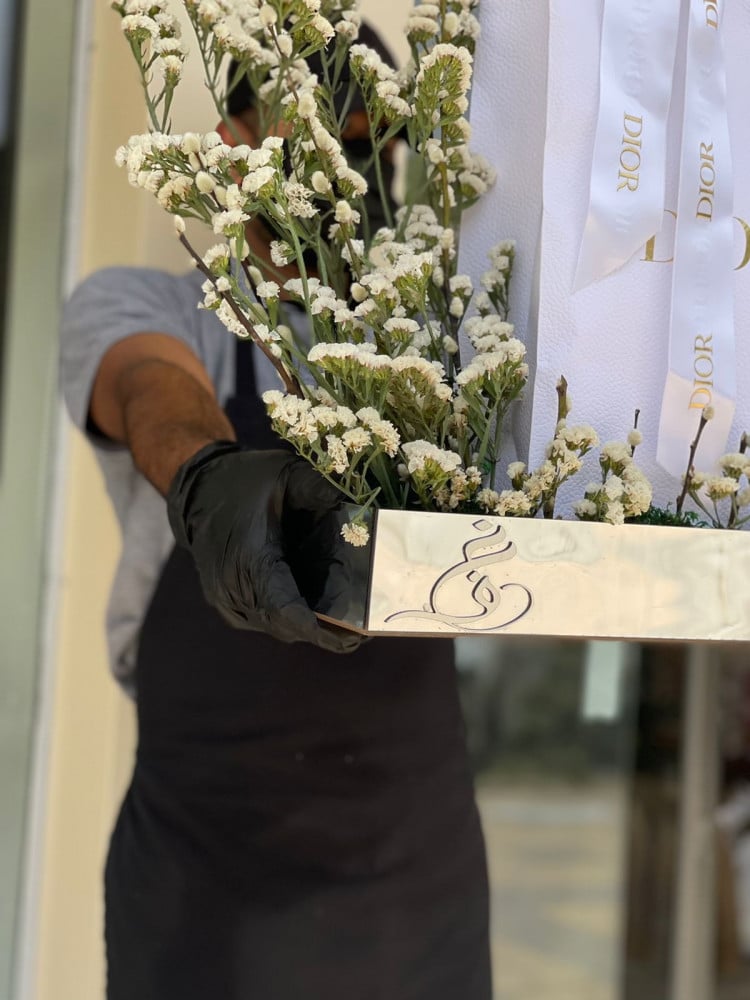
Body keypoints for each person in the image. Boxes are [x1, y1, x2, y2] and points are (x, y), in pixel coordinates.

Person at [60, 26, 491, 1000]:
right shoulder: (149, 307)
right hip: (206, 878)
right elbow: (148, 390)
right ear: (234, 145)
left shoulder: (425, 355)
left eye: (371, 143)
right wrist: (207, 473)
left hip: (414, 884)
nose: (349, 172)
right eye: (316, 139)